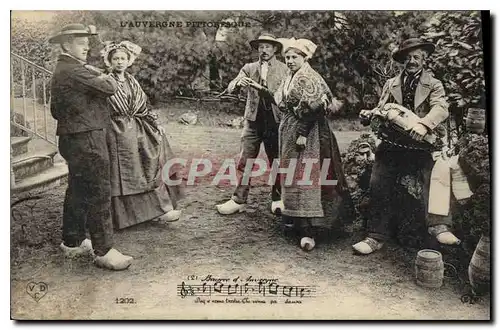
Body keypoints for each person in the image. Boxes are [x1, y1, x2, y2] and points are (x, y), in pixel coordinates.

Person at [353, 37, 460, 255]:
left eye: (416, 57)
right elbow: (383, 109)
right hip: (394, 143)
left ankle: (439, 226)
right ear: (402, 60)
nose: (411, 61)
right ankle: (375, 236)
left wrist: (424, 124)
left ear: (424, 59)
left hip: (422, 144)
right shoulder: (391, 83)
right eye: (407, 57)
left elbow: (441, 108)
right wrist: (369, 114)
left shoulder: (434, 84)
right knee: (379, 181)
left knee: (434, 176)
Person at [252, 38, 353, 251]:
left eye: (294, 57)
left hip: (309, 132)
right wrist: (259, 89)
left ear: (304, 58)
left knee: (308, 174)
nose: (289, 61)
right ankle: (296, 220)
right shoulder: (290, 76)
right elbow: (281, 101)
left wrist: (302, 134)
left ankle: (312, 229)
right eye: (287, 57)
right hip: (290, 127)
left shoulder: (308, 77)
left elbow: (316, 108)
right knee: (294, 174)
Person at [49, 24, 133, 270]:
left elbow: (57, 110)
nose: (86, 46)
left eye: (87, 41)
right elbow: (110, 87)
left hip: (75, 136)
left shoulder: (67, 69)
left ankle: (73, 241)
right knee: (98, 190)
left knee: (78, 188)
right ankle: (104, 250)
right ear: (65, 44)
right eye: (79, 41)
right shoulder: (74, 70)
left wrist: (96, 78)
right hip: (86, 138)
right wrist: (102, 77)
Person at [100, 41, 182, 229]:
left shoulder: (132, 81)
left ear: (129, 61)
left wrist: (155, 124)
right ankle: (122, 218)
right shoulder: (105, 82)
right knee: (121, 175)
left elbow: (143, 106)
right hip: (115, 133)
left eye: (123, 58)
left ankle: (154, 210)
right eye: (116, 59)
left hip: (137, 130)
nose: (119, 62)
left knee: (145, 170)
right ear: (109, 62)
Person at [216, 33, 289, 215]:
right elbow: (231, 86)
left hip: (276, 121)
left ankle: (278, 198)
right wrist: (238, 83)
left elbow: (284, 95)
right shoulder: (249, 68)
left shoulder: (284, 69)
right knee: (245, 160)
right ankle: (238, 199)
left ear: (275, 49)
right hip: (253, 121)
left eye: (268, 47)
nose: (264, 50)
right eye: (261, 47)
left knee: (278, 161)